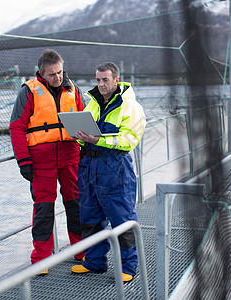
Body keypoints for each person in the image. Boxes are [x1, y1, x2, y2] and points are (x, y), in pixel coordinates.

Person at [9, 49, 84, 273]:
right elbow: (16, 127)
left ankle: (81, 250)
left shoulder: (74, 90)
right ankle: (41, 258)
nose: (57, 78)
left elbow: (85, 119)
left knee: (77, 204)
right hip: (41, 162)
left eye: (60, 72)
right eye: (52, 74)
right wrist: (23, 161)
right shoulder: (28, 92)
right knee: (43, 208)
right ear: (41, 73)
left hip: (71, 156)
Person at [71, 62, 146, 282]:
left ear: (116, 79)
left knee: (122, 218)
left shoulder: (130, 106)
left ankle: (129, 267)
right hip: (89, 168)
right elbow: (86, 130)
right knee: (90, 217)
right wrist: (80, 135)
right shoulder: (92, 103)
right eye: (98, 80)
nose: (101, 84)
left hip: (114, 168)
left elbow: (129, 140)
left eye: (105, 79)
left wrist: (98, 139)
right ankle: (94, 262)